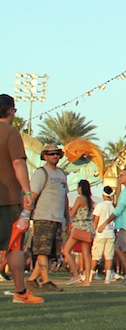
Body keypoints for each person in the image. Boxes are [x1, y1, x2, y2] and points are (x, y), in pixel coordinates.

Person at [0, 94, 43, 304]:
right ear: (10, 111)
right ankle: (20, 292)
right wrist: (27, 192)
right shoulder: (11, 133)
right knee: (14, 246)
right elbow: (18, 163)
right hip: (8, 200)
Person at [26, 143, 69, 292]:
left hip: (57, 218)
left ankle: (32, 280)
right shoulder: (41, 173)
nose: (55, 156)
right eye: (51, 154)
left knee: (50, 252)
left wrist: (67, 218)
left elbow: (65, 197)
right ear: (44, 156)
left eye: (57, 153)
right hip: (43, 217)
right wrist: (26, 214)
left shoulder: (61, 174)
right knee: (42, 251)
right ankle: (45, 281)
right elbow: (32, 195)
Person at [97, 168, 126, 287]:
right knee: (120, 248)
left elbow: (119, 209)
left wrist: (105, 223)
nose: (119, 177)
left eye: (122, 175)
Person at [62, 179, 94, 284]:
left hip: (78, 228)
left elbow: (71, 214)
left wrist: (68, 209)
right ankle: (87, 279)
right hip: (87, 228)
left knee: (66, 250)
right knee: (86, 254)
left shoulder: (80, 199)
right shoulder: (90, 201)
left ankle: (75, 274)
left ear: (80, 188)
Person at [90, 185, 117, 283]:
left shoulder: (100, 205)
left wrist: (93, 231)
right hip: (110, 233)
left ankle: (90, 275)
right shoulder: (113, 206)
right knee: (109, 256)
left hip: (100, 233)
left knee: (96, 256)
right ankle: (108, 277)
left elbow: (95, 221)